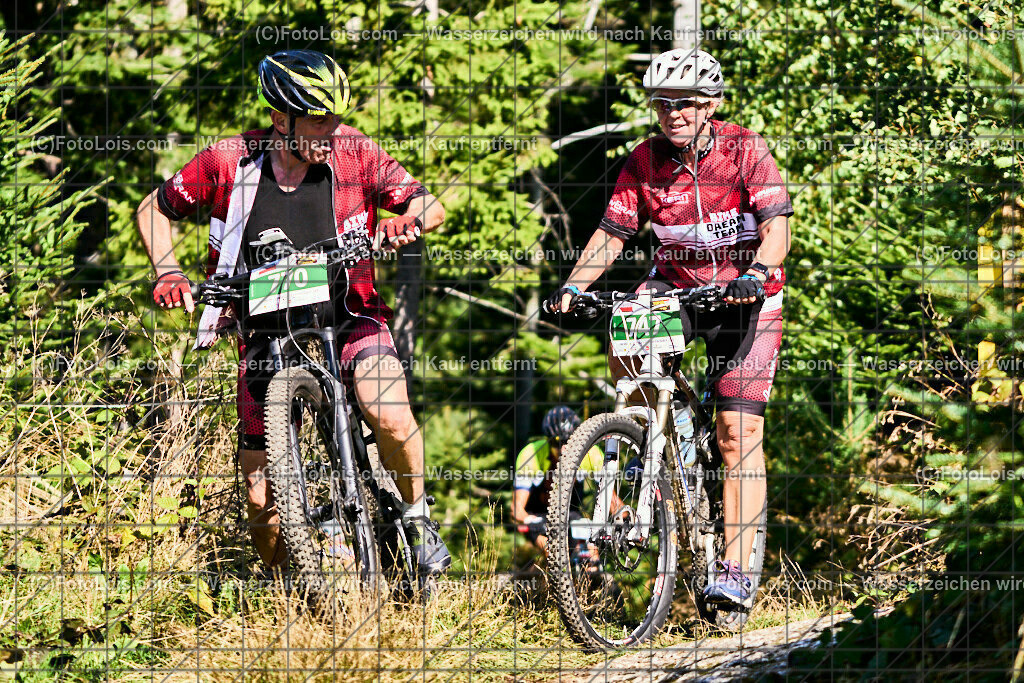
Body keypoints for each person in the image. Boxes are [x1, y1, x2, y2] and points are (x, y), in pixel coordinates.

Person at [137, 49, 451, 578]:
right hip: (265, 330)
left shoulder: (353, 152)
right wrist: (168, 271)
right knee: (260, 494)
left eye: (336, 117)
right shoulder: (229, 161)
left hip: (348, 314)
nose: (332, 130)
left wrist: (407, 221)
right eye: (318, 120)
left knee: (391, 414)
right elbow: (154, 208)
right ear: (280, 119)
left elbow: (429, 204)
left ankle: (417, 518)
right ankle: (293, 591)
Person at [547, 48, 792, 608]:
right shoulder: (645, 159)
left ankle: (735, 570)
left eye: (684, 103)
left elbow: (777, 228)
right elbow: (613, 233)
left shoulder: (744, 149)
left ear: (711, 104)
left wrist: (757, 272)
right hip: (678, 285)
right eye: (662, 104)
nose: (672, 113)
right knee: (624, 327)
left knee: (737, 433)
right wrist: (573, 286)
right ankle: (651, 435)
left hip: (745, 297)